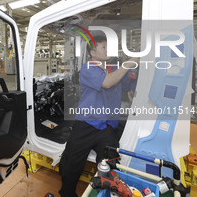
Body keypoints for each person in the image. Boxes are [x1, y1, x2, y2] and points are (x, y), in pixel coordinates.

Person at [59, 35, 139, 197]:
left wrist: (133, 84)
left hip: (106, 126)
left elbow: (125, 85)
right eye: (104, 47)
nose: (108, 50)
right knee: (72, 162)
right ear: (93, 53)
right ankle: (67, 192)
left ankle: (106, 192)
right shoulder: (88, 68)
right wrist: (129, 63)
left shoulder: (113, 68)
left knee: (111, 162)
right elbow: (107, 82)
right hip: (86, 124)